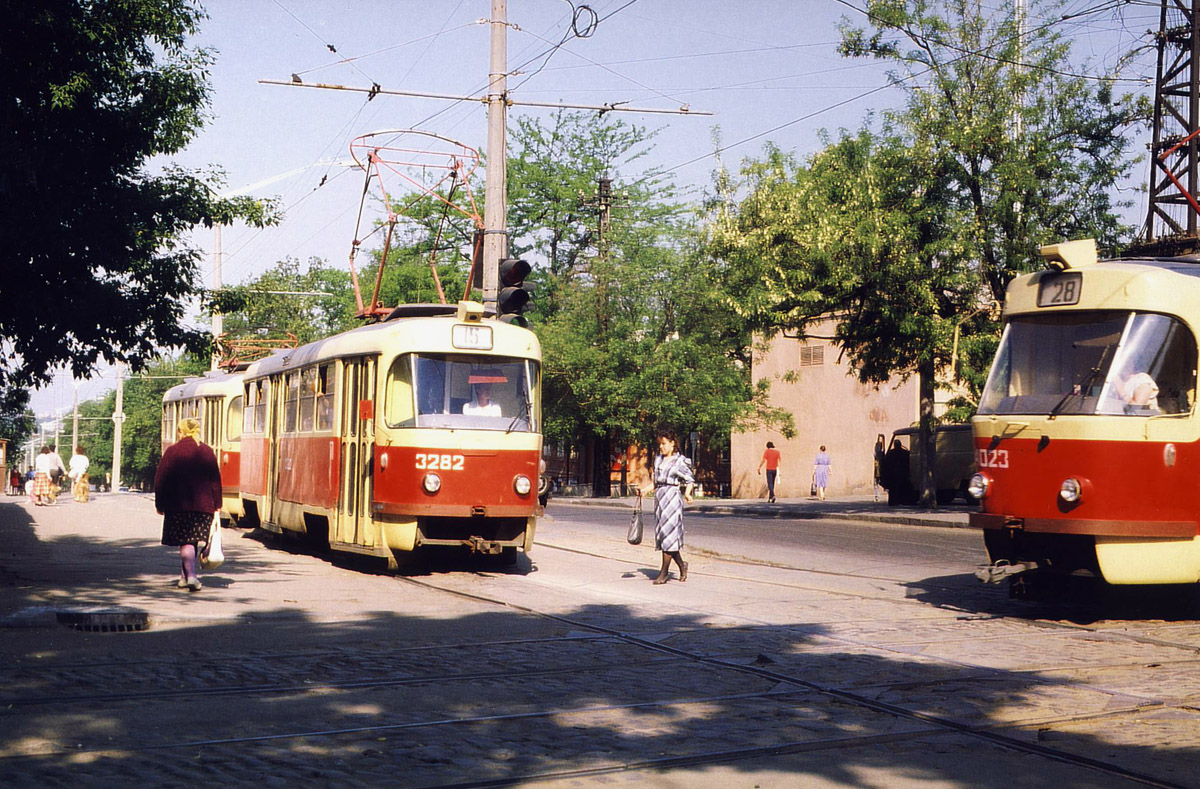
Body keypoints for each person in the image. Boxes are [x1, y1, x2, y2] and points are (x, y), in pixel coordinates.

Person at [154, 418, 222, 592]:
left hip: (178, 505)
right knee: (192, 540)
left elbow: (160, 480)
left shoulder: (172, 451)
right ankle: (185, 577)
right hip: (203, 505)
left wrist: (160, 504)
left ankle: (191, 576)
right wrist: (217, 504)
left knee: (186, 541)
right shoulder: (206, 451)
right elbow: (215, 480)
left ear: (180, 431)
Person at [637, 430, 695, 584]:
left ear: (672, 443)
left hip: (672, 498)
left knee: (669, 534)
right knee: (665, 535)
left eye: (664, 443)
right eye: (660, 444)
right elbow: (656, 482)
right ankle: (682, 565)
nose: (661, 447)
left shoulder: (679, 461)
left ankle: (664, 573)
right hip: (660, 499)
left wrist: (688, 494)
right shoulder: (658, 460)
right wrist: (644, 491)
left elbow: (689, 480)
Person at [873, 434, 886, 502]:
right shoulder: (877, 454)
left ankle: (878, 496)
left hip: (881, 469)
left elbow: (883, 447)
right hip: (877, 470)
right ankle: (877, 496)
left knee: (881, 483)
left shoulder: (881, 453)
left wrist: (882, 439)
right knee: (876, 483)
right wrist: (879, 438)